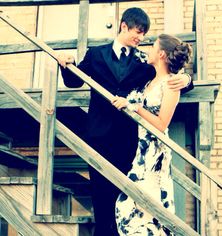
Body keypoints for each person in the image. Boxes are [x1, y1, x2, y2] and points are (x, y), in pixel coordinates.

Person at [57, 8, 193, 236]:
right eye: (138, 32)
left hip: (129, 140)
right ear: (124, 26)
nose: (141, 38)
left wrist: (187, 79)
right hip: (98, 137)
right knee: (100, 198)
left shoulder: (144, 62)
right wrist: (65, 63)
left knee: (125, 199)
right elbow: (73, 82)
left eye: (144, 34)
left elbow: (167, 76)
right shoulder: (96, 54)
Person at [112, 34, 192, 235]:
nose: (149, 50)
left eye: (153, 47)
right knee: (128, 207)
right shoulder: (149, 81)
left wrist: (135, 107)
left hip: (155, 152)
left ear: (162, 54)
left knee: (148, 207)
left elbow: (161, 123)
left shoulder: (171, 84)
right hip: (141, 148)